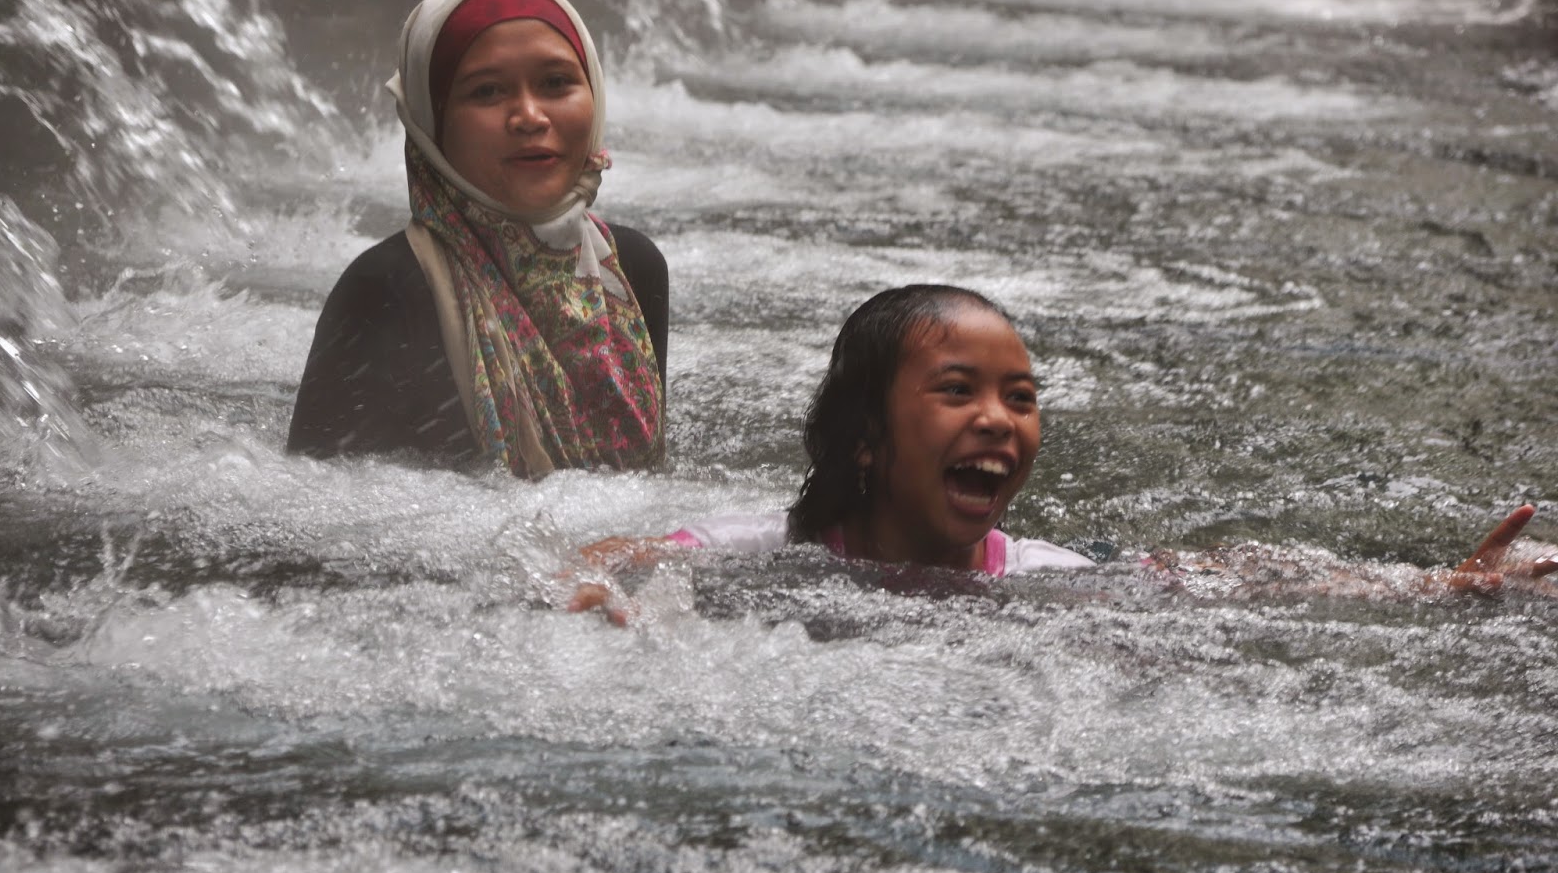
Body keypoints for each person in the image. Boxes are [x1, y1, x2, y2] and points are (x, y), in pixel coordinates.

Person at [569, 284, 1553, 623]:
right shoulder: (766, 554)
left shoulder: (1049, 579)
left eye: (1022, 398)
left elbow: (1236, 579)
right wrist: (599, 602)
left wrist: (1433, 586)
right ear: (866, 438)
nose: (1000, 419)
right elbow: (608, 556)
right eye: (957, 391)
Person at [288, 0, 666, 477]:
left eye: (556, 83)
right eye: (487, 92)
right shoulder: (390, 290)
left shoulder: (631, 271)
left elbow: (649, 489)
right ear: (434, 122)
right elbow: (316, 518)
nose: (529, 116)